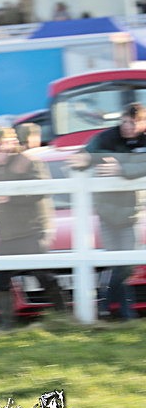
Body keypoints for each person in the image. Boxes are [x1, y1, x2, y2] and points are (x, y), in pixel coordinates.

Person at [0, 127, 64, 331]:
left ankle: (63, 317)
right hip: (7, 233)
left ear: (9, 143)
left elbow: (43, 191)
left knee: (44, 276)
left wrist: (12, 197)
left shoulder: (29, 162)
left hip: (34, 230)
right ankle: (7, 326)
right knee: (1, 279)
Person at [67, 102, 146, 321]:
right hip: (107, 212)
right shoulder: (107, 138)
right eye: (124, 121)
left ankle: (106, 303)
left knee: (126, 266)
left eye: (133, 122)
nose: (128, 126)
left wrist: (122, 169)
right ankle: (123, 313)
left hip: (130, 213)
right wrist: (81, 160)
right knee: (116, 264)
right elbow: (82, 156)